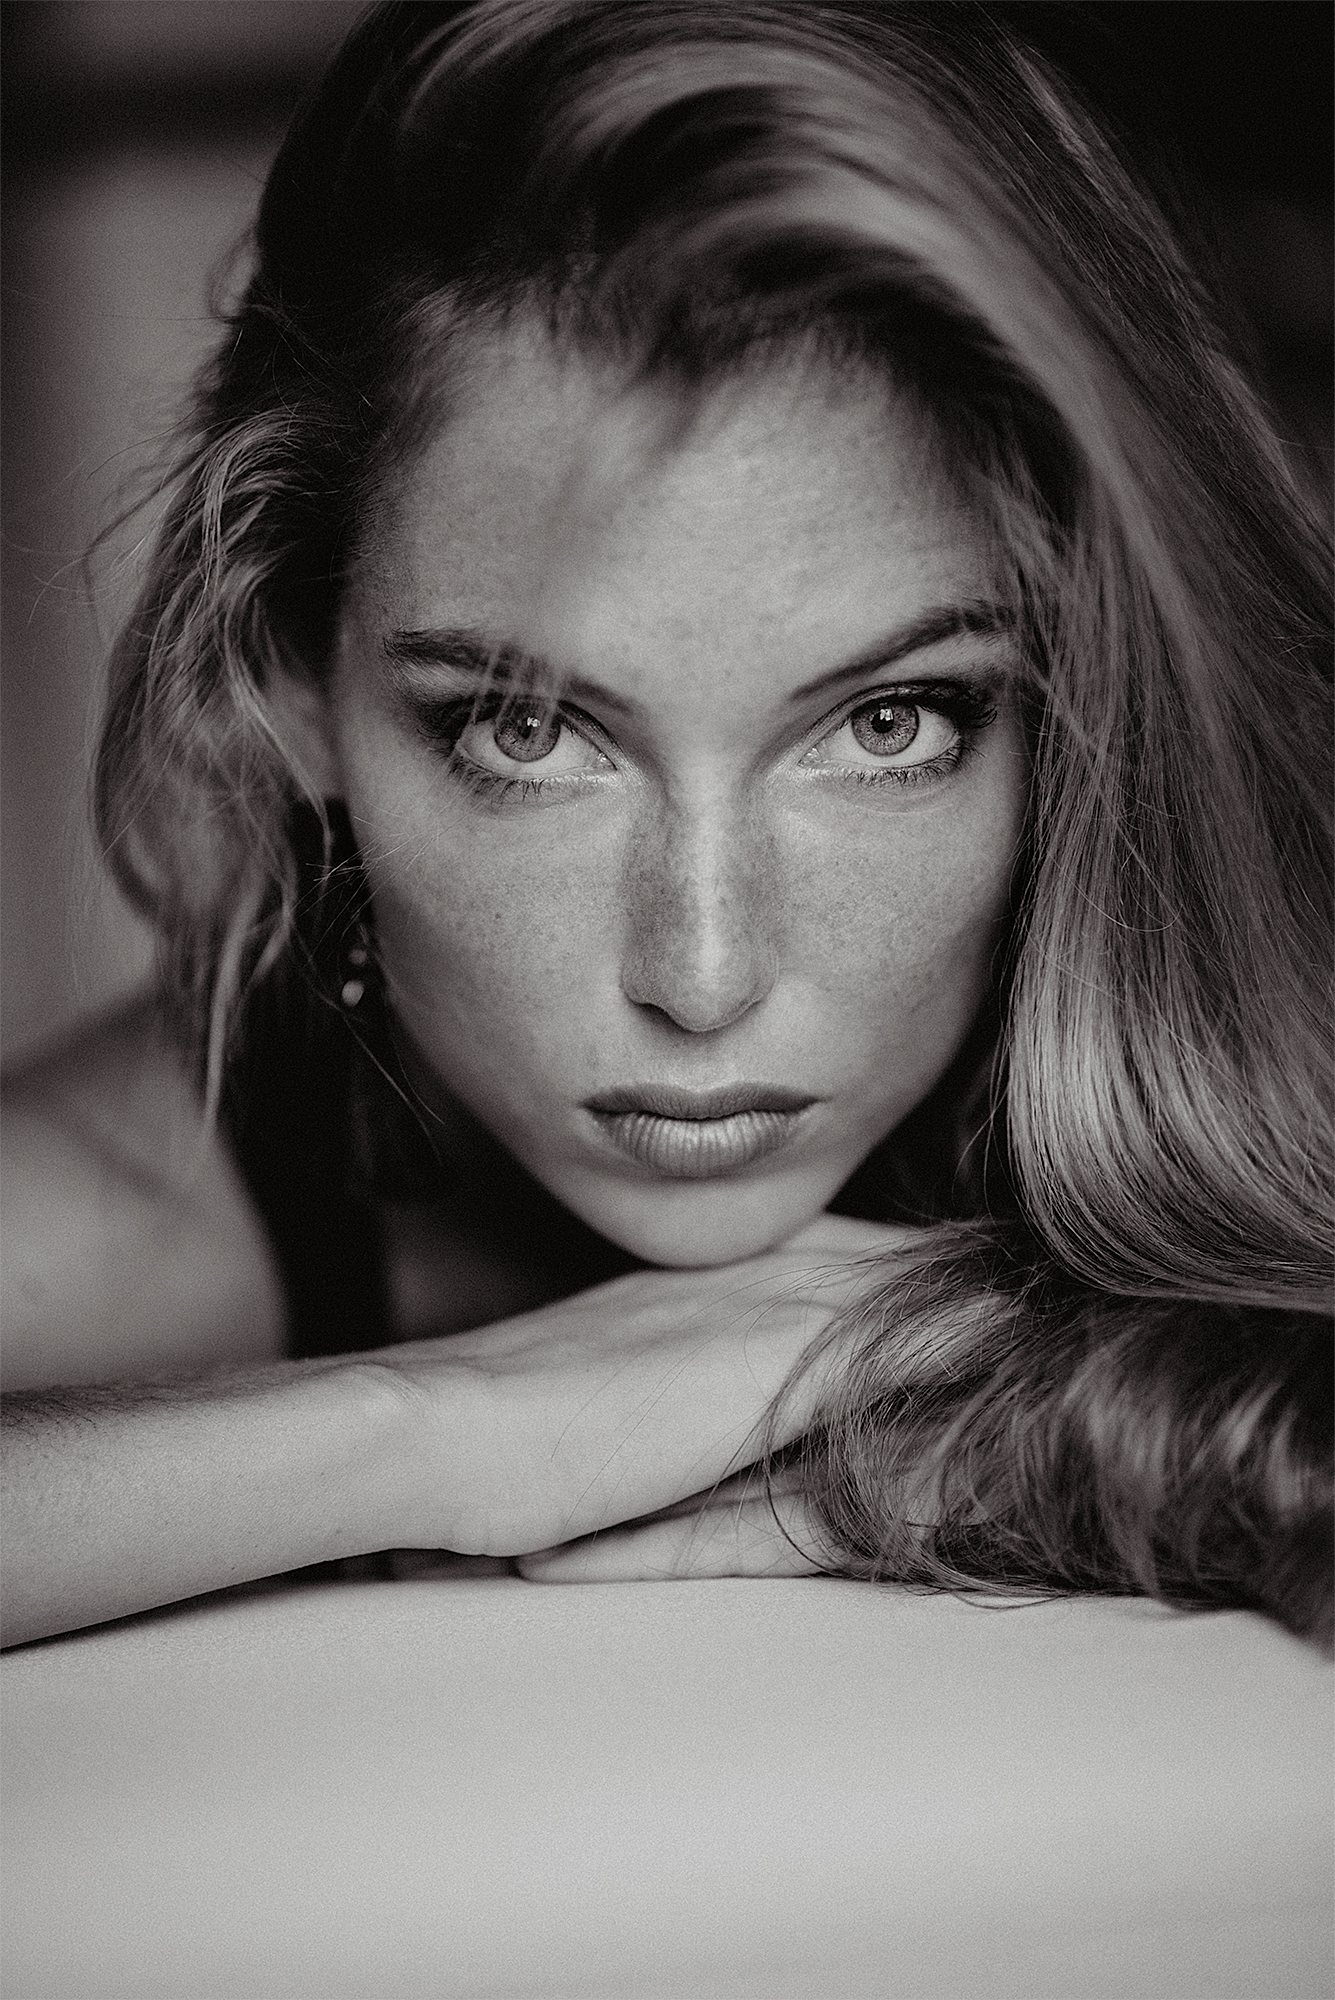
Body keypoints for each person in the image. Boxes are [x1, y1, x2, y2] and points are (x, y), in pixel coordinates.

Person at [2, 0, 1329, 1651]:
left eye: (889, 723)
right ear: (291, 686)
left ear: (1086, 697)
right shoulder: (118, 1213)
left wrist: (1118, 1418)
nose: (702, 977)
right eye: (527, 728)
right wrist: (452, 1426)